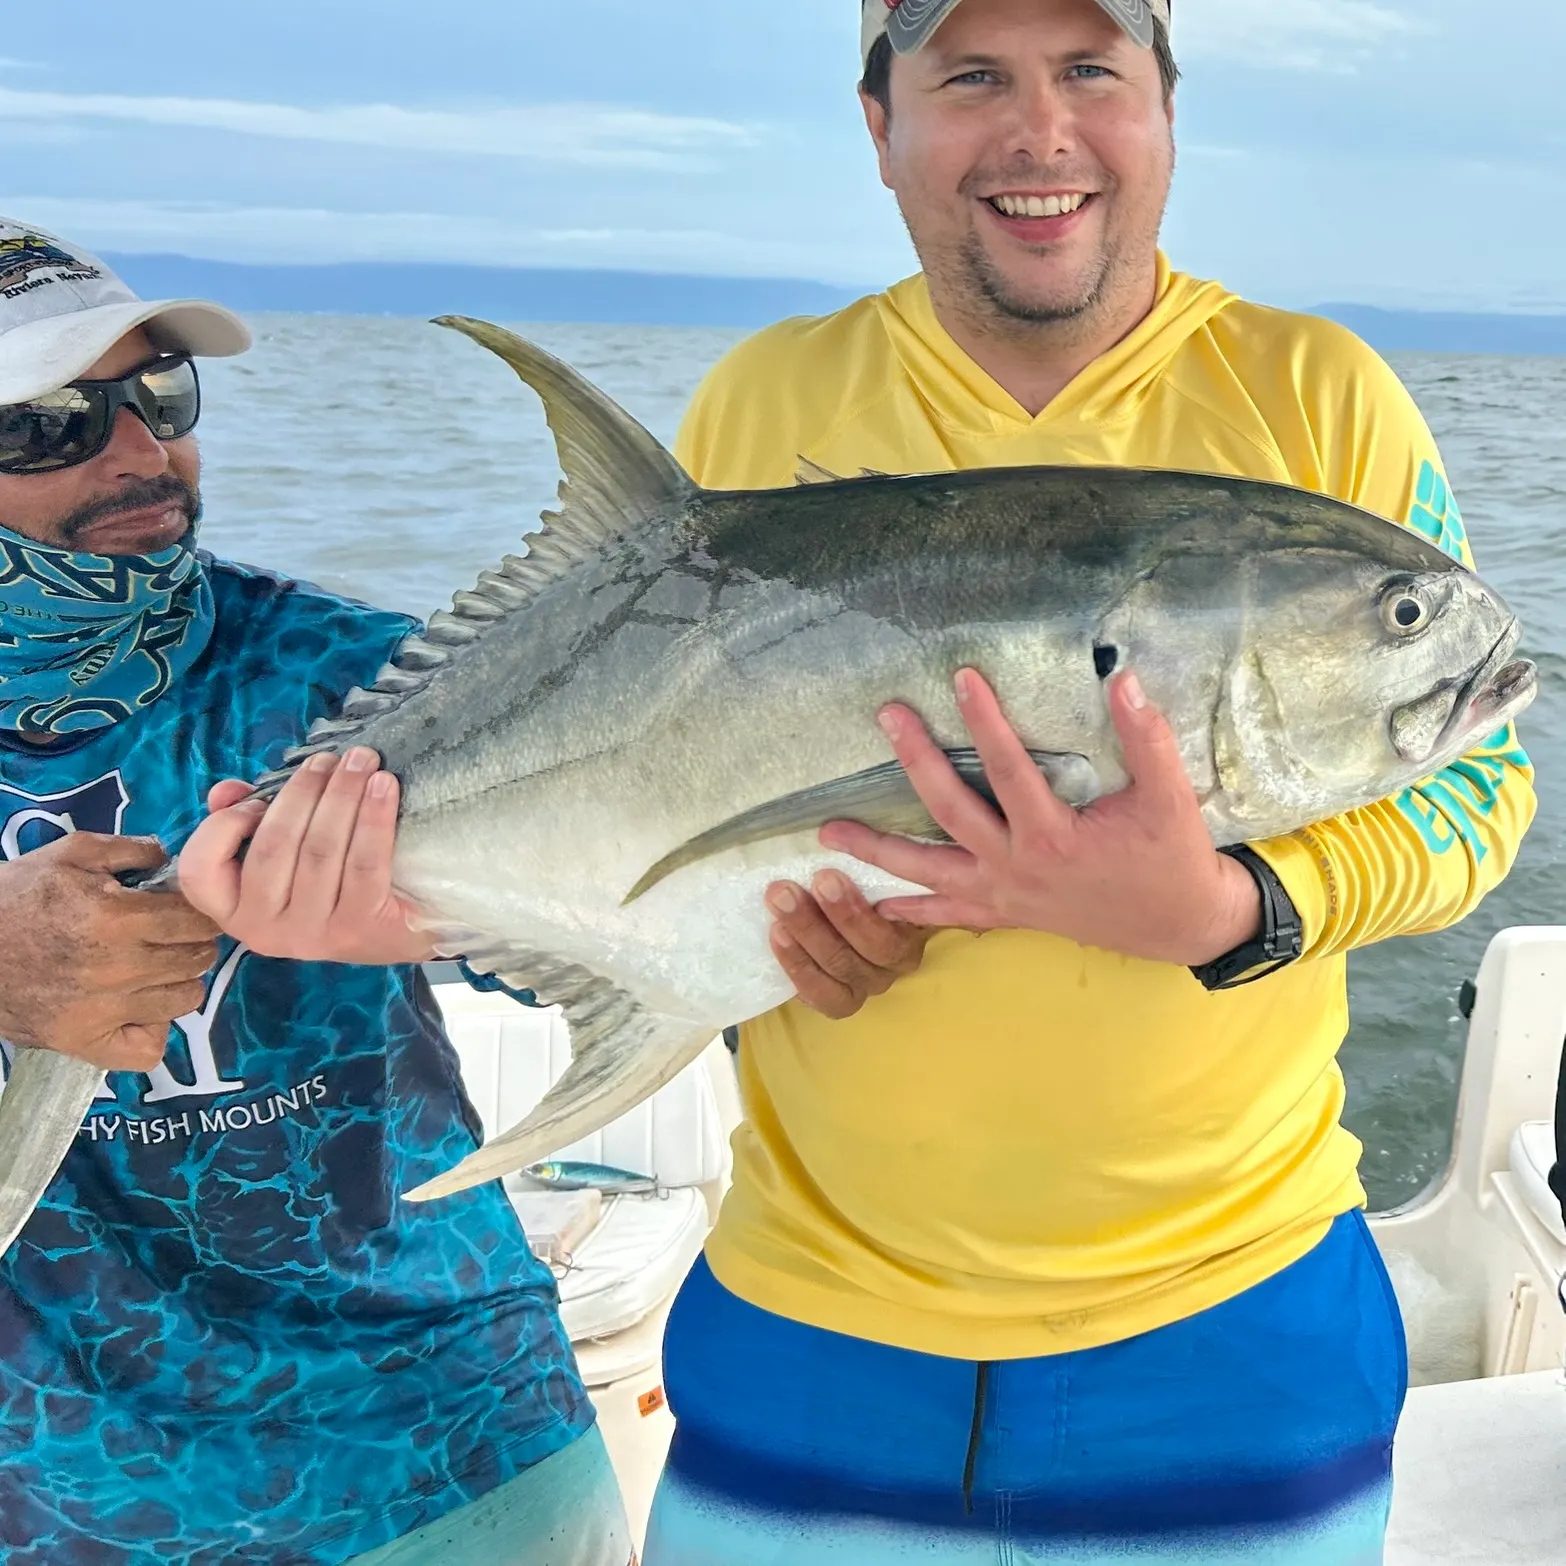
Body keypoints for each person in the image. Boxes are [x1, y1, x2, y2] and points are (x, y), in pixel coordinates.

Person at [641, 1, 1537, 1561]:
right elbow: (667, 778)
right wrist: (772, 936)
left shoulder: (1318, 397)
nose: (1038, 131)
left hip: (1232, 1321)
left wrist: (1231, 907)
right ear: (879, 124)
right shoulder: (760, 403)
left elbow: (1476, 791)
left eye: (1088, 71)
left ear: (1164, 109)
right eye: (971, 76)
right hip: (812, 1314)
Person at [0, 220, 633, 1565]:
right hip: (68, 1502)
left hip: (445, 1453)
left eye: (159, 394)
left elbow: (611, 927)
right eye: (47, 424)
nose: (140, 453)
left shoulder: (357, 678)